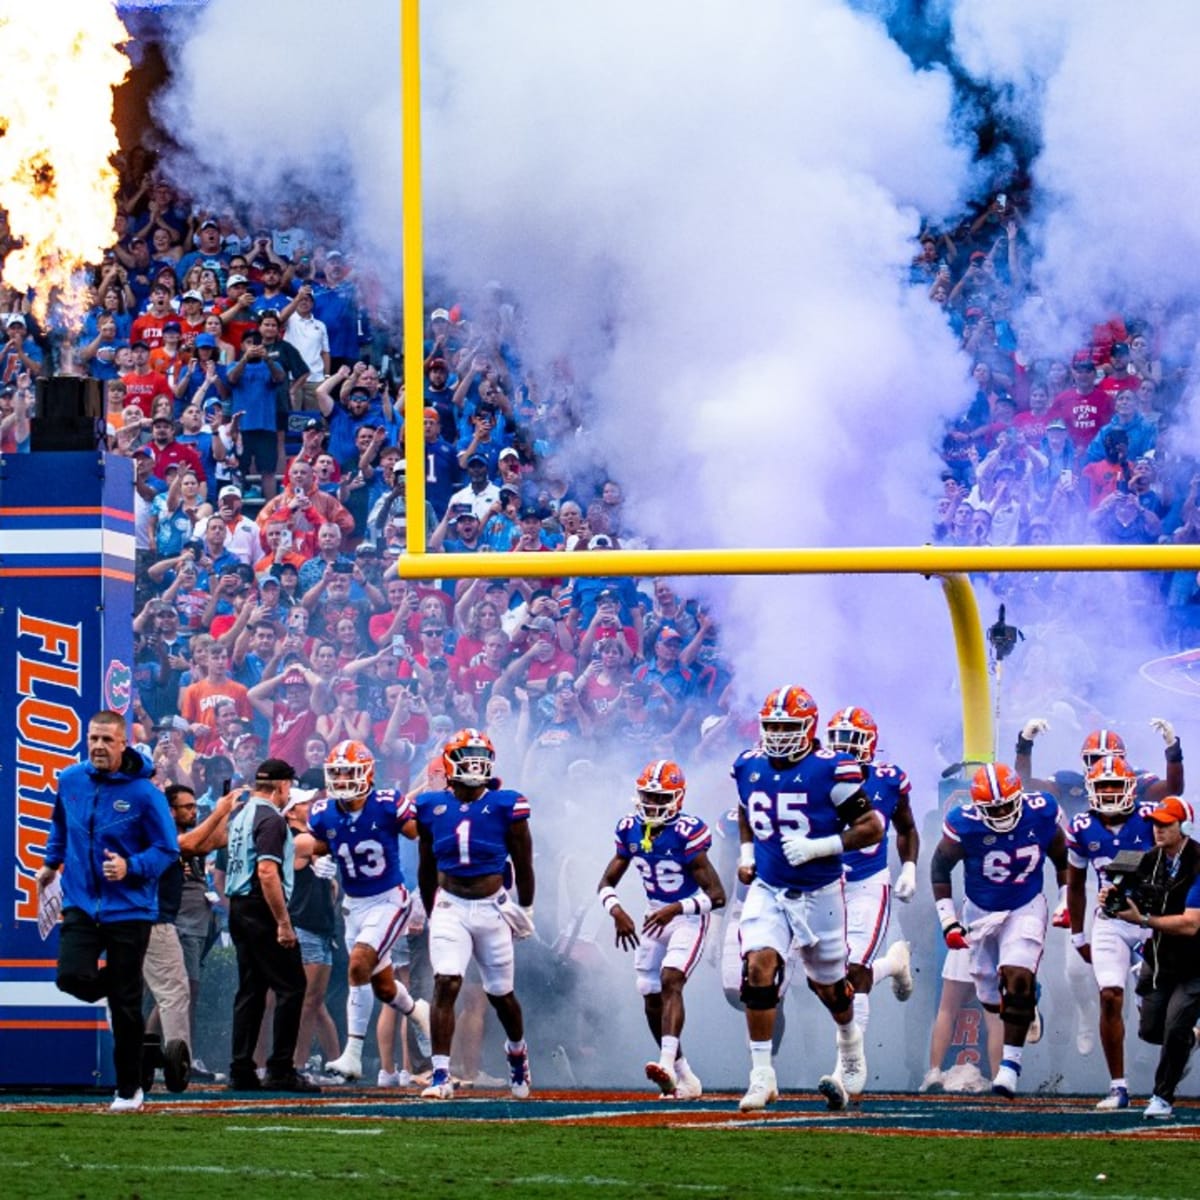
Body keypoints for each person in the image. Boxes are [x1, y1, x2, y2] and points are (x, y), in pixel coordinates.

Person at [732, 685, 882, 1112]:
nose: (778, 735)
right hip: (769, 887)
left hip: (820, 891)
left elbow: (871, 827)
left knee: (830, 987)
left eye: (787, 727)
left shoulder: (830, 770)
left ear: (809, 727)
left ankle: (850, 1042)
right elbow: (746, 807)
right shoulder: (748, 765)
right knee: (758, 966)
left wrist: (821, 846)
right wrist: (747, 853)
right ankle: (762, 1075)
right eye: (773, 726)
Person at [36, 711, 178, 1112]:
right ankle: (122, 988)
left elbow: (167, 849)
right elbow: (60, 826)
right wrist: (51, 863)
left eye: (106, 740)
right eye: (93, 738)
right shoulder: (70, 779)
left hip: (130, 908)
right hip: (80, 901)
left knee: (125, 1006)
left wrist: (130, 867)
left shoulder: (145, 793)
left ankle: (128, 1089)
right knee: (70, 978)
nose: (98, 746)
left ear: (122, 745)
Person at [296, 740, 432, 1081]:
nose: (342, 780)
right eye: (337, 773)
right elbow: (322, 845)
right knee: (383, 987)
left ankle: (352, 1054)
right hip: (353, 905)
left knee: (358, 964)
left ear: (368, 774)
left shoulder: (387, 804)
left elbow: (422, 837)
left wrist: (428, 890)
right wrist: (319, 860)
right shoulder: (323, 812)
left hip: (389, 898)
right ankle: (418, 1012)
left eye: (349, 772)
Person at [930, 763, 1068, 1098]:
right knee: (990, 999)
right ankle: (1028, 1004)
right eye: (993, 809)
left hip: (1025, 904)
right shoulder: (964, 823)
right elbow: (939, 866)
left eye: (1007, 805)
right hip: (979, 911)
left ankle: (1009, 1068)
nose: (1002, 813)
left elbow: (1063, 859)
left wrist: (1065, 900)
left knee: (1016, 976)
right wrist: (948, 919)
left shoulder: (1042, 811)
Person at [414, 729, 535, 1100]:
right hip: (450, 904)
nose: (474, 760)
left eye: (480, 754)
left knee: (501, 995)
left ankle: (517, 1052)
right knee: (446, 983)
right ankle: (440, 1075)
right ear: (450, 761)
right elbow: (425, 866)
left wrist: (526, 907)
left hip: (492, 907)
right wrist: (433, 909)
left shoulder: (505, 804)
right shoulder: (431, 805)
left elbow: (524, 862)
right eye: (466, 753)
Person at [596, 760, 725, 1098]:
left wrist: (676, 908)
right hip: (656, 915)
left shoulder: (688, 832)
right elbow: (606, 882)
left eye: (660, 796)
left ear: (677, 798)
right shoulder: (629, 828)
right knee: (648, 992)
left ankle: (665, 1061)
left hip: (688, 915)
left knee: (671, 979)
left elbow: (717, 896)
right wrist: (617, 910)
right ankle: (684, 1076)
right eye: (647, 795)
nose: (652, 803)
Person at [823, 707, 917, 1079]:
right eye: (839, 740)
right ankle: (893, 965)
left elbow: (906, 827)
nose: (845, 747)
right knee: (825, 977)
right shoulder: (816, 775)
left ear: (871, 744)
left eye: (853, 740)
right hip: (824, 884)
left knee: (853, 973)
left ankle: (847, 1070)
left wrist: (908, 865)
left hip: (867, 882)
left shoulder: (889, 779)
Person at [1065, 755, 1157, 1110]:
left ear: (1130, 788)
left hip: (1151, 919)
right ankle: (1118, 1086)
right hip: (1111, 919)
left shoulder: (1152, 818)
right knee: (1109, 997)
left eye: (1114, 786)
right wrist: (1077, 934)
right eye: (1101, 787)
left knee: (1154, 1003)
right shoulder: (1082, 826)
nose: (1107, 794)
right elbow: (1074, 884)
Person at [1102, 795, 1200, 1120]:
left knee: (1174, 1029)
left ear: (1183, 826)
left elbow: (1190, 924)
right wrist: (1111, 898)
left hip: (1195, 962)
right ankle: (1191, 1037)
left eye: (1166, 824)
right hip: (1160, 960)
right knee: (1151, 1030)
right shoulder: (1149, 860)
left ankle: (1162, 1098)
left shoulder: (1199, 863)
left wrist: (1142, 920)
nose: (1158, 829)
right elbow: (1126, 892)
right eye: (1156, 823)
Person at [224, 758, 318, 1092]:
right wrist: (283, 922)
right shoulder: (271, 819)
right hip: (261, 908)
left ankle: (241, 1067)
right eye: (289, 786)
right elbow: (267, 872)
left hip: (238, 906)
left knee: (251, 988)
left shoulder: (240, 815)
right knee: (291, 986)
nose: (289, 792)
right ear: (280, 786)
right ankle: (280, 1068)